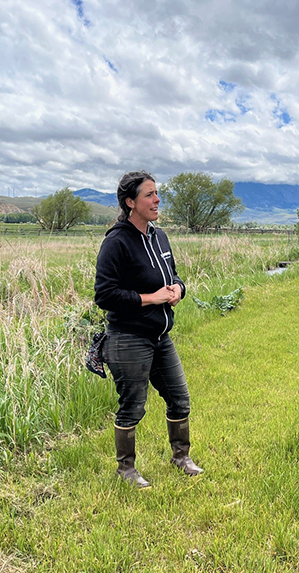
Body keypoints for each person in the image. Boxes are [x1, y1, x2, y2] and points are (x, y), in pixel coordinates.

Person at [94, 171, 203, 487]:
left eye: (157, 193)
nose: (157, 200)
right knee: (132, 407)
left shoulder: (160, 237)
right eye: (149, 195)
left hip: (160, 336)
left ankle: (181, 457)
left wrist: (178, 289)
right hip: (128, 338)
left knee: (179, 398)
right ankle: (126, 469)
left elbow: (174, 275)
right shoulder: (116, 242)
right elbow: (105, 295)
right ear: (130, 202)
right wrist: (151, 298)